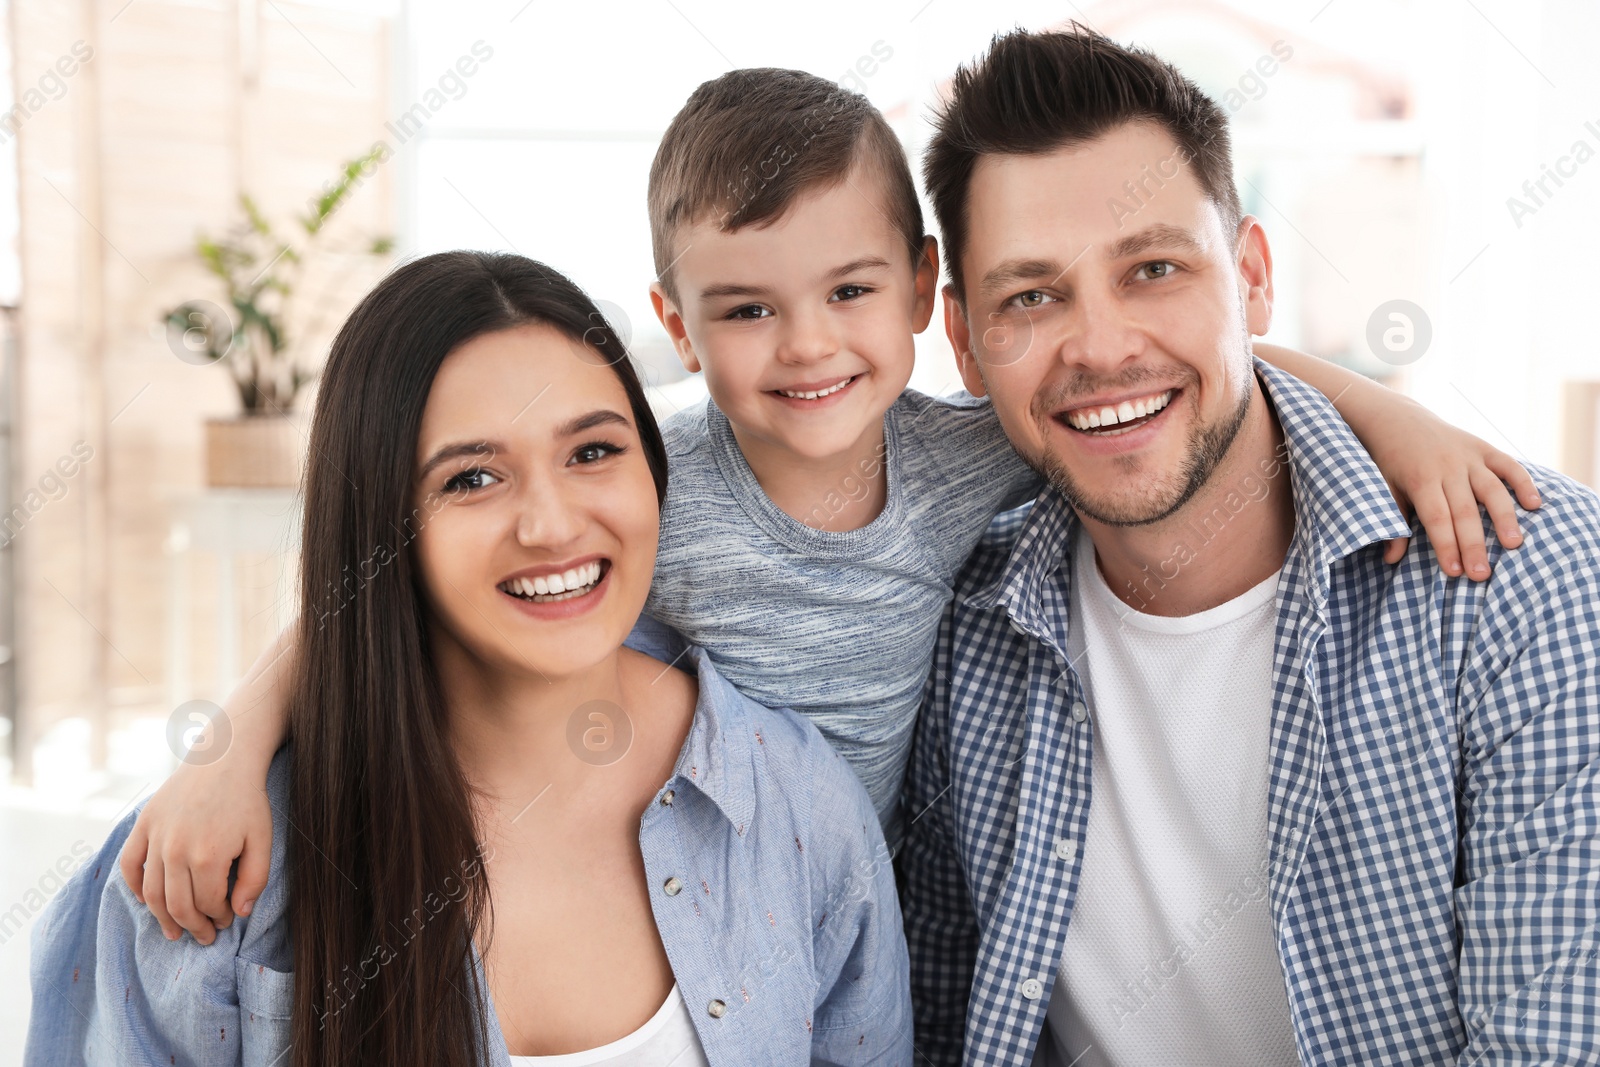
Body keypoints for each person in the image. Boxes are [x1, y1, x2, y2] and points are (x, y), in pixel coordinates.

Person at [120, 67, 1534, 946]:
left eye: (852, 293)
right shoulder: (647, 481)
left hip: (881, 904)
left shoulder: (970, 450)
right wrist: (227, 753)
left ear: (928, 295)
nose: (808, 348)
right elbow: (393, 599)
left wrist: (1396, 414)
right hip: (684, 876)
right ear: (676, 321)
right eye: (747, 309)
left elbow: (1172, 368)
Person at [899, 27, 1599, 1066]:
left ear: (1253, 277)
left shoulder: (1523, 583)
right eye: (1031, 295)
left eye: (1152, 268)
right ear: (962, 339)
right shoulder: (953, 613)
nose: (1098, 345)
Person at [26, 251, 909, 1066]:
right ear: (382, 525)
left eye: (594, 451)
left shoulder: (796, 805)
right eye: (471, 478)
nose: (553, 524)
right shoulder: (208, 866)